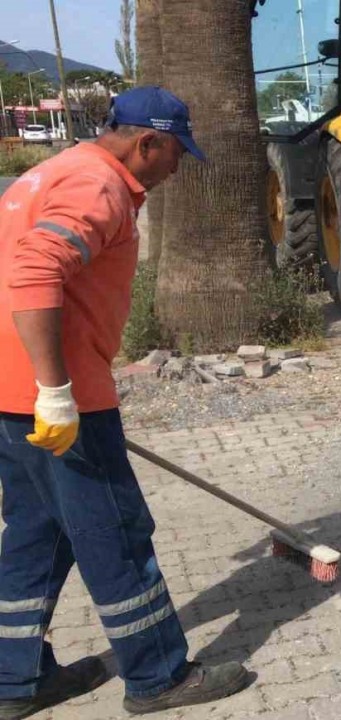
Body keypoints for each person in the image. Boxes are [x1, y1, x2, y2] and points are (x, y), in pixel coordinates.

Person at [0, 86, 252, 717]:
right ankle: (158, 676)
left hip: (9, 392)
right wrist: (56, 392)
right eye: (176, 154)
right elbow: (34, 270)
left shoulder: (47, 174)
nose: (176, 169)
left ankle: (13, 679)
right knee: (113, 532)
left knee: (38, 532)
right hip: (58, 398)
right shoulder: (99, 186)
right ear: (148, 142)